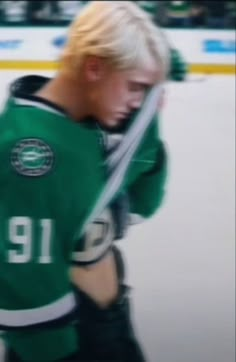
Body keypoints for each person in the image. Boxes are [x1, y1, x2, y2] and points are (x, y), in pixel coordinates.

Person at [0, 1, 170, 361]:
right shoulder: (34, 152)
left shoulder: (85, 127)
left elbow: (143, 201)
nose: (136, 101)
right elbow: (26, 289)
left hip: (109, 324)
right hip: (72, 341)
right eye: (134, 87)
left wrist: (144, 122)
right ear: (94, 67)